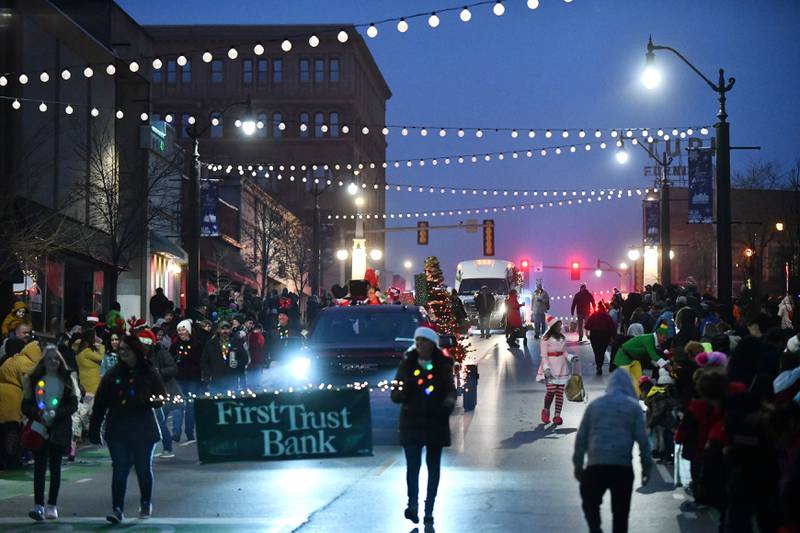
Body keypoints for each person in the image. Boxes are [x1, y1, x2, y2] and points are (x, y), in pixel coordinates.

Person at [89, 334, 166, 524]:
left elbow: (161, 395)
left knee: (143, 468)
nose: (122, 353)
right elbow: (100, 403)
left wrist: (156, 401)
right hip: (118, 429)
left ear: (135, 351)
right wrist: (95, 428)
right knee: (120, 468)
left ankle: (145, 502)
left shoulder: (149, 372)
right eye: (120, 349)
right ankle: (117, 509)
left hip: (143, 427)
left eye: (126, 349)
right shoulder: (113, 374)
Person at [390, 327, 456, 527]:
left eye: (423, 341)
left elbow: (450, 391)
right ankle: (412, 505)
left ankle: (429, 509)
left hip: (435, 421)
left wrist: (446, 405)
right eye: (417, 341)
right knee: (413, 466)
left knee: (433, 466)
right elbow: (396, 392)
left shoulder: (442, 365)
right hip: (411, 421)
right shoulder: (407, 363)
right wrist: (403, 391)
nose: (419, 345)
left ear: (432, 344)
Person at [573, 368, 653, 533]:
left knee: (590, 503)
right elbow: (643, 441)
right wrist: (646, 468)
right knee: (621, 513)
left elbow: (581, 438)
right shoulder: (634, 408)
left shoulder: (595, 405)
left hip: (595, 466)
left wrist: (578, 465)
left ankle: (595, 529)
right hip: (622, 468)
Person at [21, 345, 78, 521]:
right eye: (49, 359)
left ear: (60, 361)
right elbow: (26, 405)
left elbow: (73, 404)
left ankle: (52, 505)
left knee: (55, 468)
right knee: (39, 468)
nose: (53, 361)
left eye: (55, 359)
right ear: (43, 362)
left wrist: (57, 413)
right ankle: (38, 505)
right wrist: (38, 413)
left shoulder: (67, 380)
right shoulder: (34, 379)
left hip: (59, 428)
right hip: (40, 428)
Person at [0, 341, 43, 469]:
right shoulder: (26, 364)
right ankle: (12, 460)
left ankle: (2, 460)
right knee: (12, 431)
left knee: (2, 431)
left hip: (2, 395)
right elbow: (30, 384)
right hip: (12, 397)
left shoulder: (12, 360)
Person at [138, 330, 178, 458]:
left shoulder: (160, 352)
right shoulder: (141, 356)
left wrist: (159, 372)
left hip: (163, 391)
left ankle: (167, 448)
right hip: (148, 393)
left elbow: (173, 368)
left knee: (160, 421)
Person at [536, 317, 578, 425]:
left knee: (559, 393)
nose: (560, 327)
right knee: (551, 391)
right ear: (553, 327)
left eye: (561, 325)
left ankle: (557, 416)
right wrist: (546, 369)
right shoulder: (545, 339)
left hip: (562, 367)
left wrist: (570, 357)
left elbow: (564, 352)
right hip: (550, 366)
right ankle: (546, 410)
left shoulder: (562, 338)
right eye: (558, 326)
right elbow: (544, 356)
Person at [612, 323, 672, 395]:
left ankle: (637, 396)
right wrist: (666, 365)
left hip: (634, 360)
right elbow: (653, 355)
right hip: (623, 357)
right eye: (664, 337)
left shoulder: (653, 340)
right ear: (658, 334)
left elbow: (649, 355)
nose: (665, 340)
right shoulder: (649, 339)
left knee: (638, 380)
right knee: (624, 380)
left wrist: (656, 363)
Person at [171, 319, 203, 441]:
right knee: (177, 406)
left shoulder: (197, 345)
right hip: (179, 379)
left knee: (190, 407)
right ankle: (176, 432)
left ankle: (189, 431)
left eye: (183, 329)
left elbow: (199, 361)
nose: (181, 332)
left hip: (193, 379)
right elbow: (171, 360)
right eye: (179, 330)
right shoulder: (175, 346)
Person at [201, 320, 249, 393]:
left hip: (232, 381)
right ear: (218, 330)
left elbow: (245, 359)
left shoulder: (237, 342)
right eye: (222, 329)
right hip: (215, 382)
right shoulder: (211, 344)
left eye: (227, 328)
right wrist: (209, 374)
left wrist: (238, 363)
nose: (225, 331)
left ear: (230, 330)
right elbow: (204, 361)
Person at [585, 303, 617, 376]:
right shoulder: (607, 316)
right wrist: (614, 337)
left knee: (596, 351)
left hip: (594, 335)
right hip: (605, 335)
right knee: (602, 352)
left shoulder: (593, 315)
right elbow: (612, 327)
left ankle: (598, 366)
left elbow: (587, 326)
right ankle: (600, 366)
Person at [247, 323, 267, 387]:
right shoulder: (259, 336)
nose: (257, 331)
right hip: (256, 359)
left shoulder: (250, 335)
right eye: (256, 329)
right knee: (257, 373)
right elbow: (262, 345)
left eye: (258, 329)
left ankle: (254, 384)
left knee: (254, 373)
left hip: (254, 358)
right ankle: (256, 384)